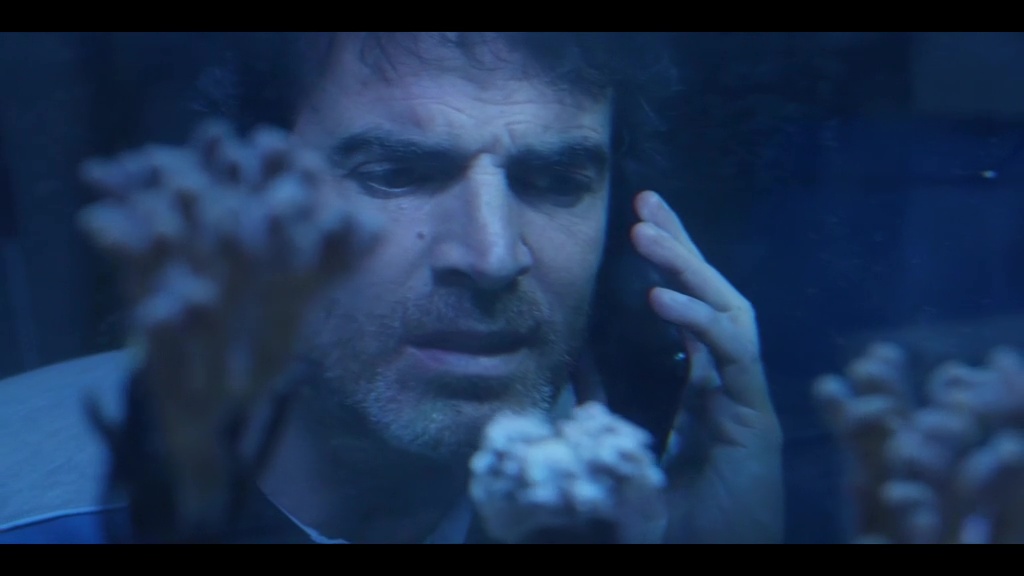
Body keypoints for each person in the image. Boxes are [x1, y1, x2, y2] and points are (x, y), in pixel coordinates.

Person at [0, 32, 782, 544]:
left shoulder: (621, 507)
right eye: (396, 174)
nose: (492, 256)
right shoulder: (31, 510)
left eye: (555, 181)